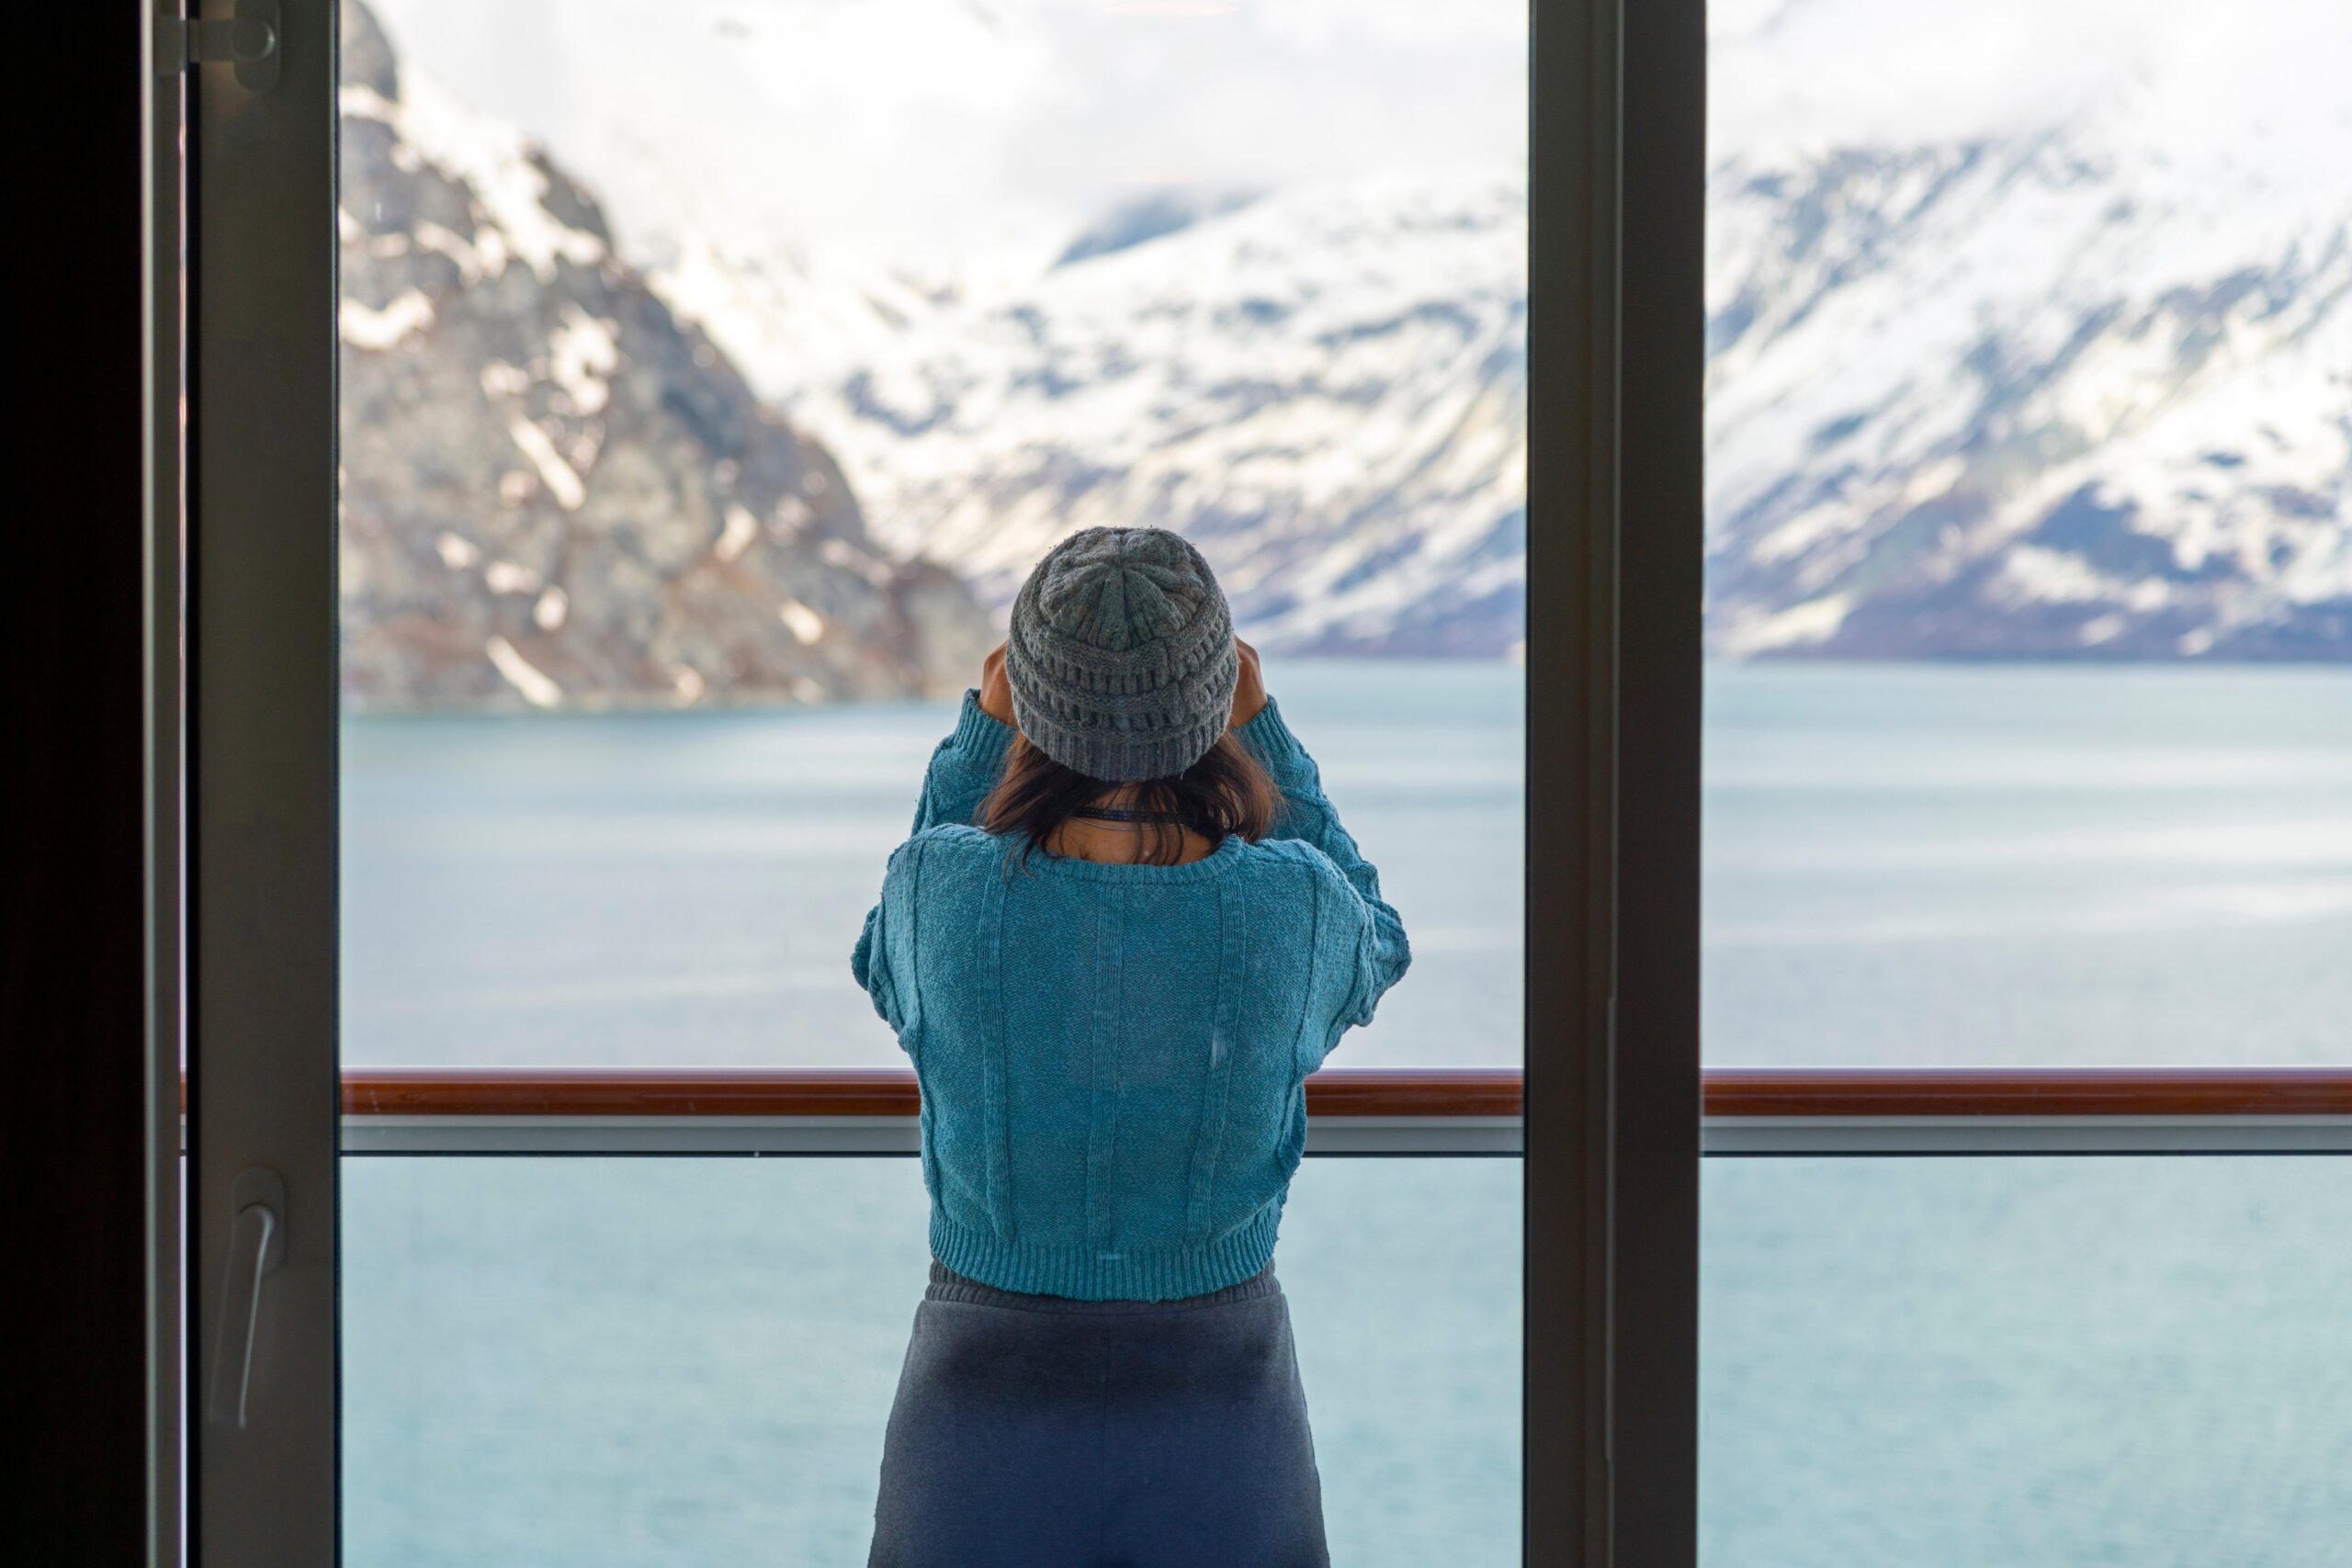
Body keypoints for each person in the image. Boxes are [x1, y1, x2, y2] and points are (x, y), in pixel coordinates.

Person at [853, 526, 1410, 1567]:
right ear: (1211, 699)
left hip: (974, 1414)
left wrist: (977, 743)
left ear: (1026, 688)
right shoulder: (1288, 909)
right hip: (1223, 1414)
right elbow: (1377, 935)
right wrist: (1272, 741)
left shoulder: (943, 891)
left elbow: (890, 951)